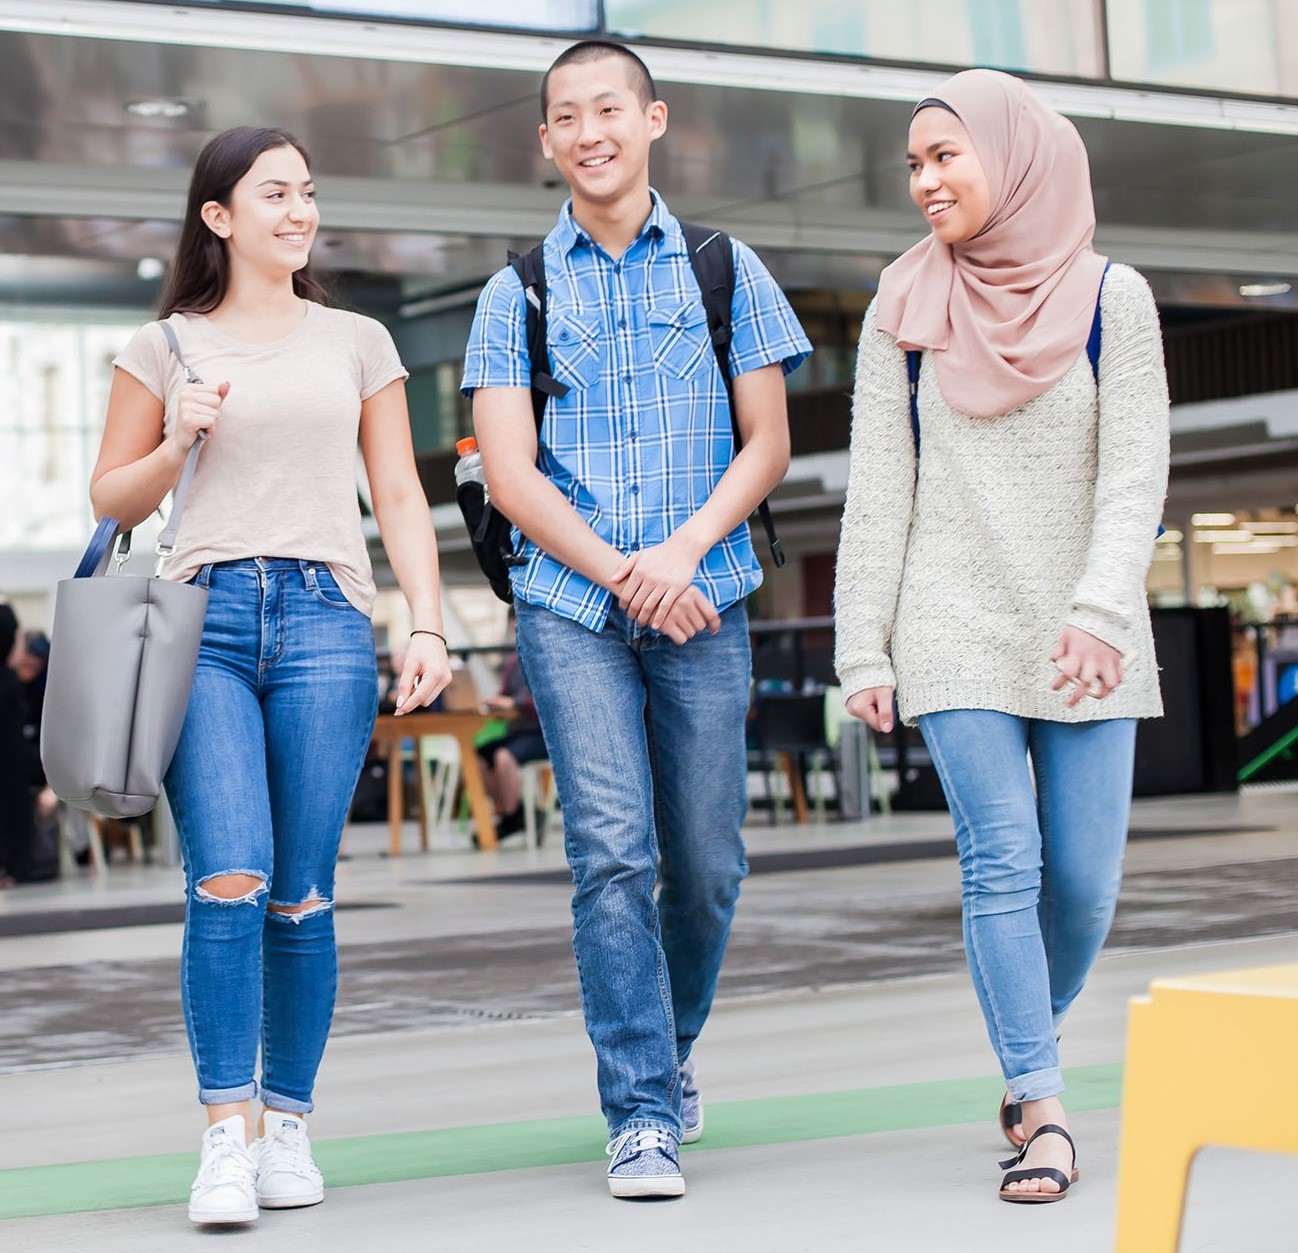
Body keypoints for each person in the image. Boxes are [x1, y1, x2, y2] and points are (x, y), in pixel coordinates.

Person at [463, 40, 810, 1199]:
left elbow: (767, 443)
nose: (589, 131)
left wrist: (678, 554)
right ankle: (640, 1110)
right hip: (571, 606)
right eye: (566, 116)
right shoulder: (514, 291)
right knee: (612, 855)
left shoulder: (723, 267)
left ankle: (670, 1043)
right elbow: (509, 474)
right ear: (545, 140)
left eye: (607, 108)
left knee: (704, 863)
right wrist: (623, 569)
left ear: (651, 119)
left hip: (701, 598)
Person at [90, 126, 452, 1226]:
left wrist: (425, 622)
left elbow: (397, 492)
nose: (300, 212)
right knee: (229, 876)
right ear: (219, 217)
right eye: (275, 194)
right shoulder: (164, 345)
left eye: (307, 193)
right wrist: (175, 443)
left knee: (301, 891)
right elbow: (111, 497)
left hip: (326, 619)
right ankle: (226, 1135)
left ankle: (287, 1121)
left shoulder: (357, 339)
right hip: (199, 620)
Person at [835, 69, 1169, 1204]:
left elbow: (1133, 474)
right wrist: (863, 646)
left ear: (1014, 157)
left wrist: (1099, 609)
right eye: (913, 165)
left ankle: (1030, 1034)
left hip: (1085, 626)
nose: (925, 182)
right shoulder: (899, 308)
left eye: (946, 157)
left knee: (1081, 886)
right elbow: (879, 490)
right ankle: (1042, 1103)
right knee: (1003, 861)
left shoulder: (1113, 296)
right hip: (951, 617)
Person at [0, 604, 33, 887]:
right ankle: (14, 865)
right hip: (7, 693)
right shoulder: (7, 610)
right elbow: (16, 654)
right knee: (12, 792)